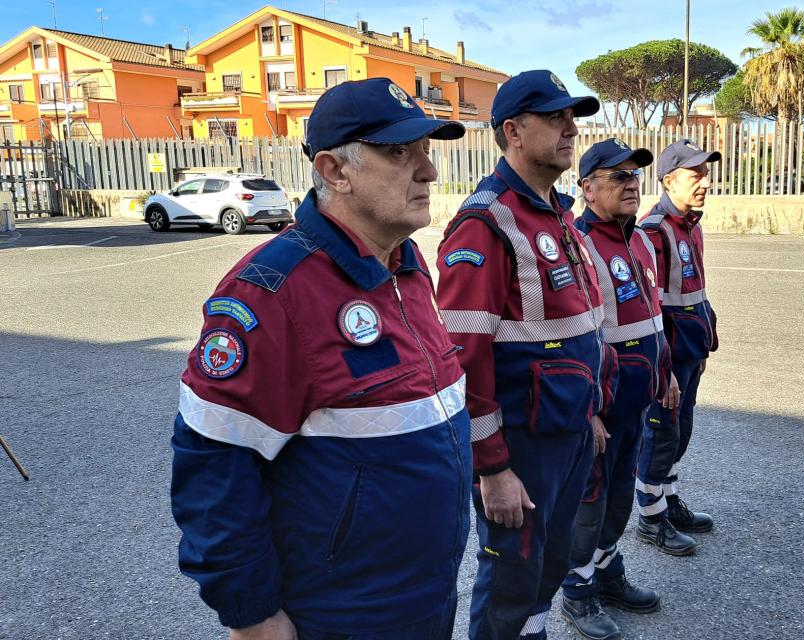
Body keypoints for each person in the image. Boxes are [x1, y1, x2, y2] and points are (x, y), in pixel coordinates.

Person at [170, 78, 471, 640]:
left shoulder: (405, 264)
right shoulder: (272, 292)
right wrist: (253, 615)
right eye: (400, 152)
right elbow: (213, 465)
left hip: (426, 593)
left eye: (427, 151)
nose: (428, 171)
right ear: (335, 171)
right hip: (342, 614)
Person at [435, 70, 615, 640]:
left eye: (573, 117)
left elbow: (573, 333)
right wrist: (492, 468)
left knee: (549, 564)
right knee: (512, 574)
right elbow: (464, 358)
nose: (571, 128)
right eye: (555, 117)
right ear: (512, 130)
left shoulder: (557, 212)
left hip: (567, 431)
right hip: (521, 448)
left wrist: (590, 412)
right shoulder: (485, 224)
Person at [559, 138, 679, 639]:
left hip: (637, 399)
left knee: (617, 501)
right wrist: (589, 410)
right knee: (589, 503)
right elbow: (574, 334)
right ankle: (577, 592)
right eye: (617, 177)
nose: (631, 185)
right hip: (602, 407)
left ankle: (606, 573)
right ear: (587, 188)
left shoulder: (642, 240)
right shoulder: (577, 244)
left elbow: (653, 318)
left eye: (634, 176)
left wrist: (666, 371)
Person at [636, 138, 720, 556]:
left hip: (690, 349)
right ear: (669, 180)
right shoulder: (654, 231)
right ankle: (651, 519)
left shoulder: (692, 225)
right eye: (695, 175)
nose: (704, 182)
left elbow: (693, 293)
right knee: (661, 435)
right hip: (667, 355)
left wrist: (702, 349)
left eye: (705, 173)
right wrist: (661, 367)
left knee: (680, 431)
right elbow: (649, 306)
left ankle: (666, 501)